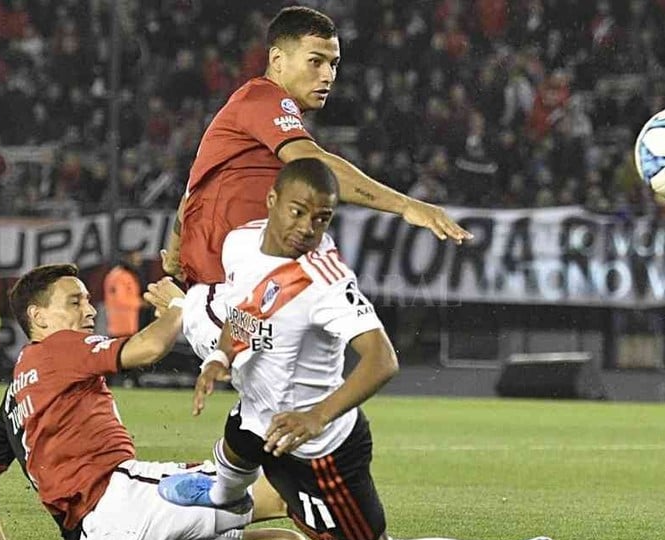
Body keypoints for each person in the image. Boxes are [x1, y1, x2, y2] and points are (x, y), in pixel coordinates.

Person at [160, 159, 559, 540]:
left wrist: (317, 416)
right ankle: (223, 496)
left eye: (322, 218)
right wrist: (219, 358)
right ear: (272, 200)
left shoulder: (324, 280)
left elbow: (383, 359)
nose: (308, 228)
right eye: (298, 212)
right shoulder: (239, 243)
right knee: (235, 451)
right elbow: (245, 309)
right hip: (260, 415)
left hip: (317, 449)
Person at [0, 263, 313, 540]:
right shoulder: (58, 348)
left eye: (87, 300)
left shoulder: (14, 399)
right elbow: (148, 347)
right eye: (75, 302)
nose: (89, 310)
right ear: (38, 317)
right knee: (286, 490)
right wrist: (181, 305)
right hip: (124, 504)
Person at [161, 6, 472, 355]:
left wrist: (174, 252)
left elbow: (193, 187)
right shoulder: (261, 99)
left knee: (305, 373)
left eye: (334, 64)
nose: (328, 75)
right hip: (223, 294)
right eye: (315, 61)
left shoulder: (252, 116)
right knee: (274, 361)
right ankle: (181, 312)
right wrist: (405, 205)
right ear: (277, 60)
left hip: (247, 289)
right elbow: (316, 165)